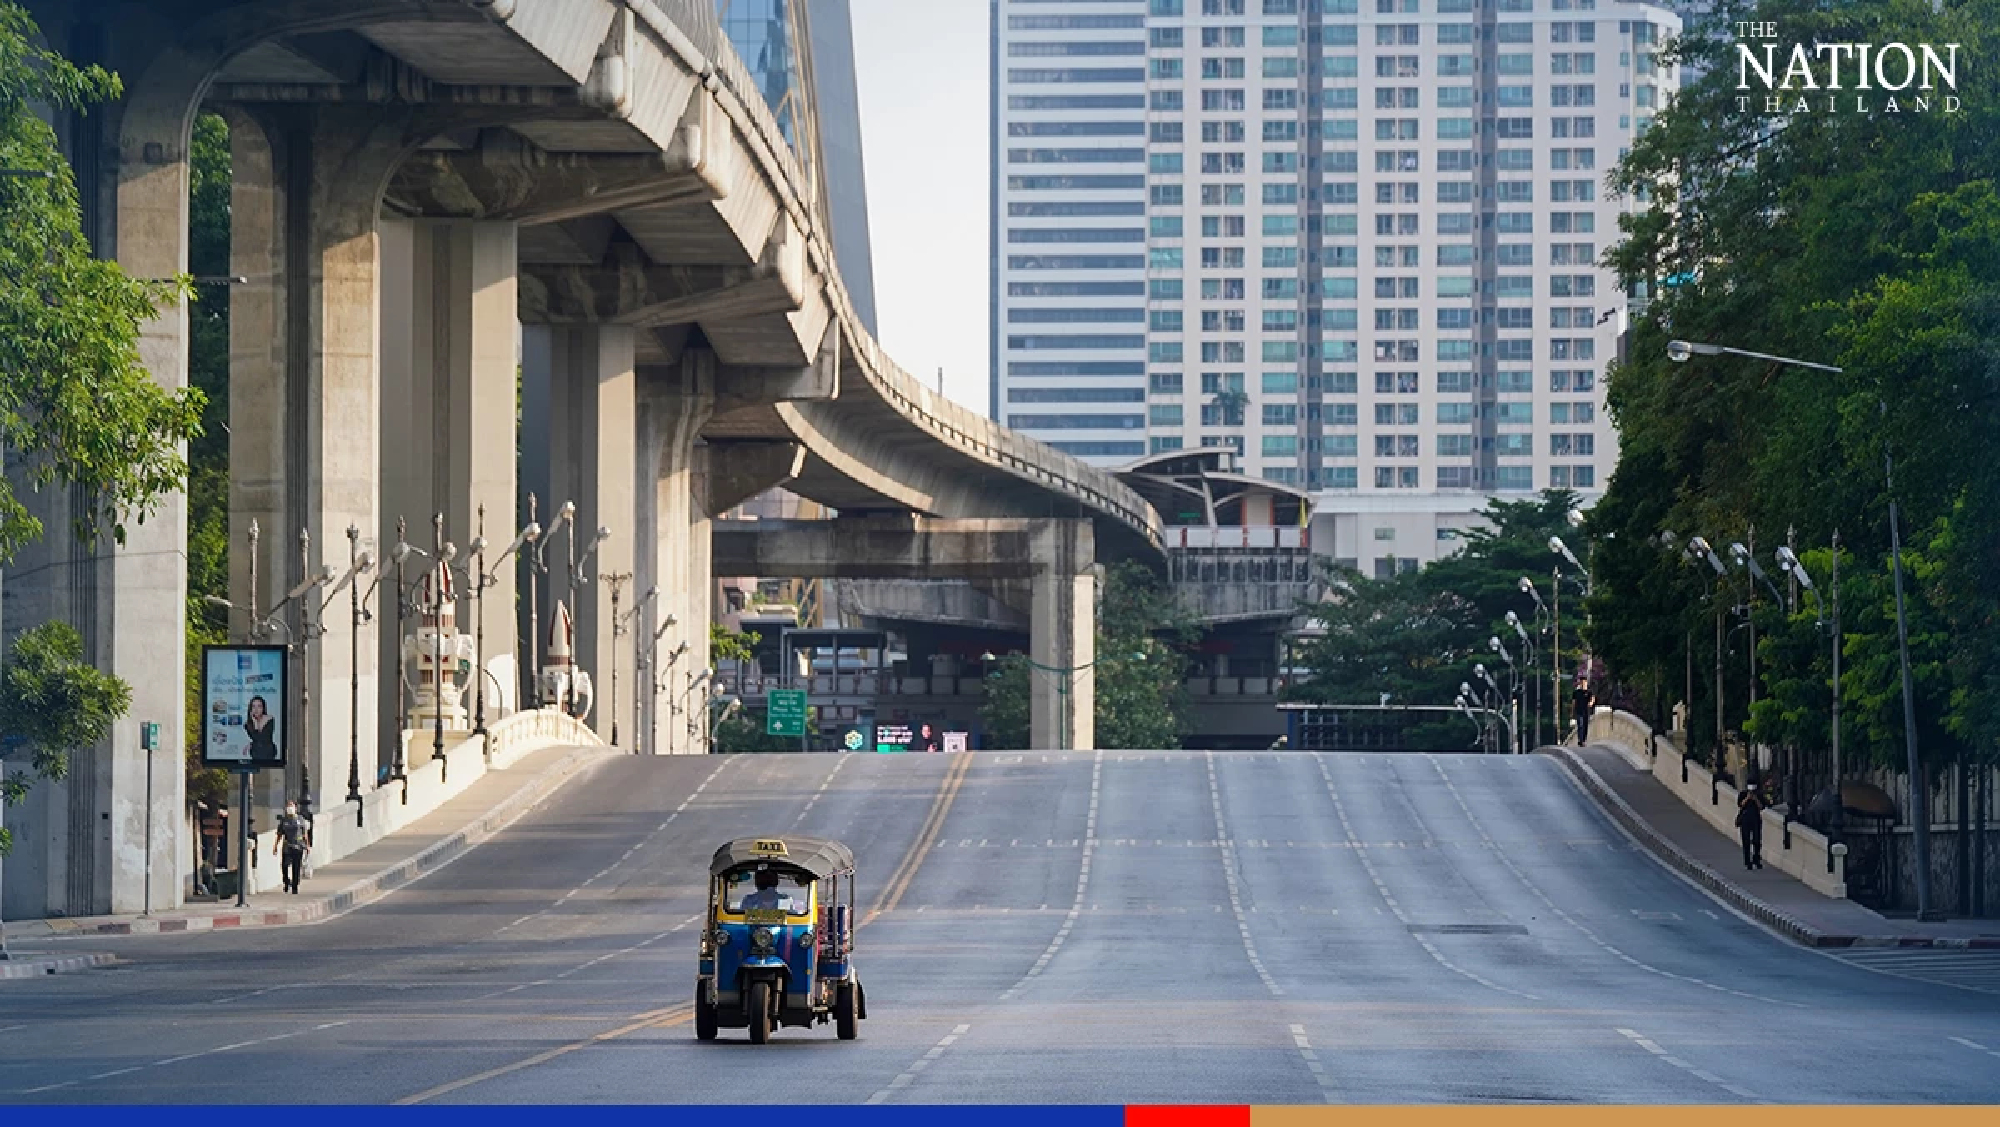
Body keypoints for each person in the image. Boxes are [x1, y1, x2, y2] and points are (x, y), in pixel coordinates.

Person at [272, 801, 311, 894]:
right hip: (287, 846)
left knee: (296, 867)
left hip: (298, 846)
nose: (290, 807)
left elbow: (305, 834)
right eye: (288, 806)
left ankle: (295, 886)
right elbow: (279, 834)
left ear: (295, 808)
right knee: (284, 865)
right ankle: (286, 881)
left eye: (291, 806)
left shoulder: (300, 819)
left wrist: (307, 846)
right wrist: (275, 846)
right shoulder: (284, 820)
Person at [1737, 783, 1768, 870]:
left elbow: (1762, 807)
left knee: (1757, 840)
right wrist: (1747, 798)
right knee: (1746, 841)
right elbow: (1740, 804)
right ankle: (1747, 861)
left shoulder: (1759, 794)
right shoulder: (1743, 794)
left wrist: (1755, 799)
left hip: (1756, 819)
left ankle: (1756, 859)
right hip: (1745, 819)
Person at [244, 696, 278, 762]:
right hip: (256, 753)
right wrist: (255, 722)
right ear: (250, 709)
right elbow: (257, 739)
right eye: (253, 706)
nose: (256, 709)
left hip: (269, 752)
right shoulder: (248, 724)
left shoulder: (269, 719)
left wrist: (251, 744)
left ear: (263, 708)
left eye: (259, 706)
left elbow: (264, 738)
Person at [1570, 677, 1595, 744]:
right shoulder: (1576, 692)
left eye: (1584, 683)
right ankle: (1580, 740)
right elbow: (1573, 703)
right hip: (1579, 711)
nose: (1582, 684)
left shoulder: (1589, 692)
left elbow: (1592, 698)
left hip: (1587, 711)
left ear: (1586, 683)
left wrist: (1591, 703)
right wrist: (1572, 712)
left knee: (1585, 726)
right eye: (1581, 683)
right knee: (1580, 725)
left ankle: (1584, 739)